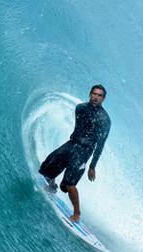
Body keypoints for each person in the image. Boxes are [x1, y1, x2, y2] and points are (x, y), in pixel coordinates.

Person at [39, 85, 110, 222]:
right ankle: (52, 186)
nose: (96, 97)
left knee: (69, 185)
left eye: (99, 95)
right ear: (90, 94)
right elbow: (80, 128)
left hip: (85, 151)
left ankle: (77, 213)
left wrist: (92, 166)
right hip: (72, 144)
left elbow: (100, 145)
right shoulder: (80, 108)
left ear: (103, 98)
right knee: (46, 167)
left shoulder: (104, 120)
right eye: (94, 94)